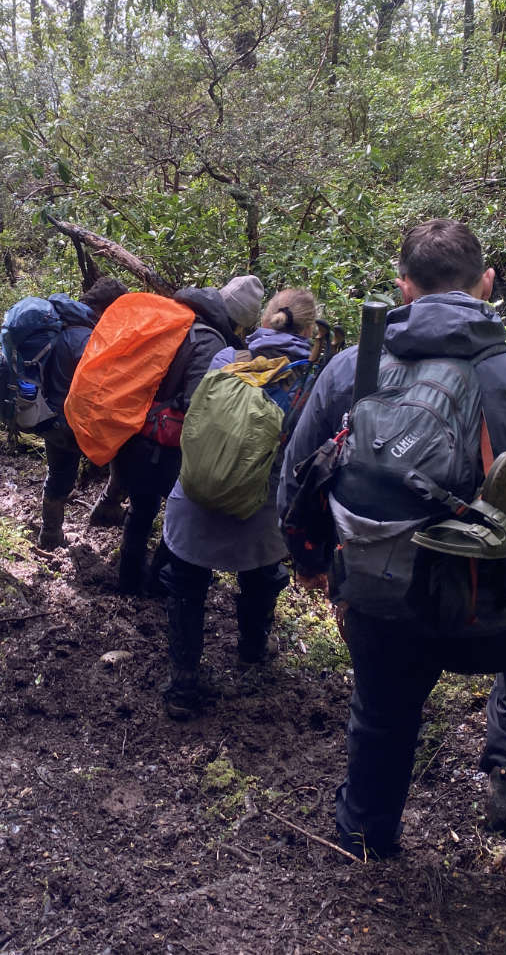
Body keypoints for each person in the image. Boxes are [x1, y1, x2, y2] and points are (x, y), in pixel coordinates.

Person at [278, 219, 506, 858]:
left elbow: (294, 484)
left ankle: (365, 838)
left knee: (381, 712)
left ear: (404, 288)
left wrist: (314, 563)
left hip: (376, 597)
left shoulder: (351, 369)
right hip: (487, 615)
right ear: (486, 284)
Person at [158, 289, 317, 720]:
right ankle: (252, 651)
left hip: (194, 504)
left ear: (263, 322)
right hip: (259, 515)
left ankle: (183, 684)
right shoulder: (311, 381)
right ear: (310, 331)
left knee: (186, 585)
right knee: (263, 578)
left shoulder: (225, 359)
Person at [111, 274, 264, 596]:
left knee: (141, 511)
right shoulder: (210, 342)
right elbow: (199, 404)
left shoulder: (180, 317)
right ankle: (156, 586)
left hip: (137, 431)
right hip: (165, 447)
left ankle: (128, 582)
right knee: (180, 517)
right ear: (241, 321)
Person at [0, 276, 128, 548]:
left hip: (45, 415)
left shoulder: (57, 320)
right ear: (107, 308)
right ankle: (108, 506)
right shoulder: (86, 338)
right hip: (68, 423)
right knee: (127, 454)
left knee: (59, 473)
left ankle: (50, 534)